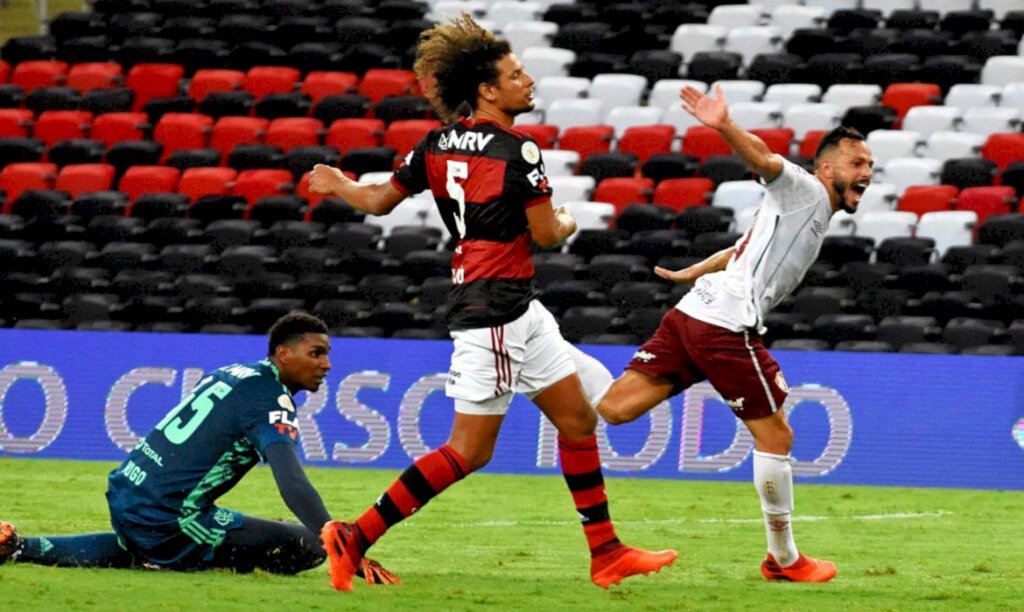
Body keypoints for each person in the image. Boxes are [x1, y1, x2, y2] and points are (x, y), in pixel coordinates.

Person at [308, 14, 678, 592]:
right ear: (487, 89)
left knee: (577, 419)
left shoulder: (434, 143)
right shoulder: (517, 149)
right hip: (496, 312)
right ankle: (354, 536)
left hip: (513, 307)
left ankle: (606, 553)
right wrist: (570, 219)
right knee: (469, 450)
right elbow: (547, 234)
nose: (527, 81)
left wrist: (339, 186)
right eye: (515, 74)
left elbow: (379, 200)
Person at [589, 87, 875, 583]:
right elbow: (764, 159)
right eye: (856, 163)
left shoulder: (803, 211)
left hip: (692, 313)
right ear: (827, 169)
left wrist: (690, 273)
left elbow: (739, 249)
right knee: (777, 435)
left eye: (870, 164)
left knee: (616, 408)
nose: (866, 173)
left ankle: (546, 356)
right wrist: (722, 125)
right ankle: (784, 560)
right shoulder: (804, 189)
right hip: (724, 324)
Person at [0, 312, 398, 585]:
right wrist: (338, 542)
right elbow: (291, 480)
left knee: (138, 541)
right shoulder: (270, 398)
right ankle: (179, 557)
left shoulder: (233, 372)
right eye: (317, 353)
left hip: (127, 490)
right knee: (309, 546)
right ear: (283, 354)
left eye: (327, 354)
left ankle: (20, 547)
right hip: (167, 516)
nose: (327, 364)